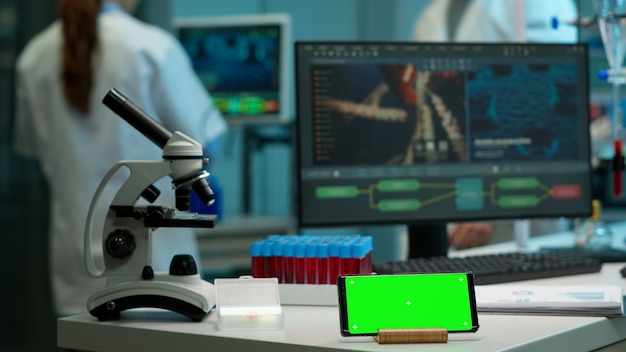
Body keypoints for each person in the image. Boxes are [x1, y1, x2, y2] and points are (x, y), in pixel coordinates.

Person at [12, 0, 227, 316]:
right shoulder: (151, 47)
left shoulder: (34, 57)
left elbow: (33, 157)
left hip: (75, 267)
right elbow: (208, 142)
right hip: (161, 270)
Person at [409, 0, 578, 251]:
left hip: (513, 216)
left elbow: (541, 99)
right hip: (446, 194)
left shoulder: (538, 4)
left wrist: (488, 208)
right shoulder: (434, 13)